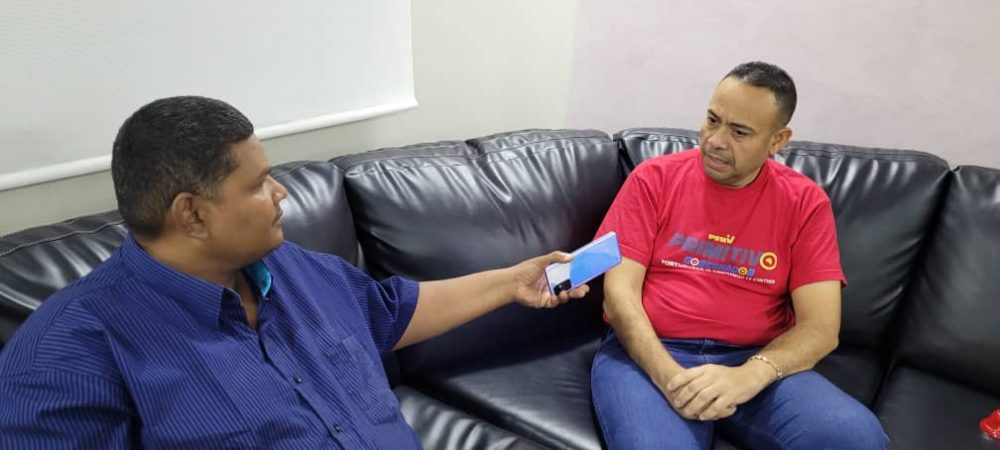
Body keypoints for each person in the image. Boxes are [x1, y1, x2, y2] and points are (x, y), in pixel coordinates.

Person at [0, 96, 588, 449]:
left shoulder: (290, 266)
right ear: (193, 214)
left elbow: (387, 312)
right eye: (259, 184)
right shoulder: (67, 355)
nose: (281, 193)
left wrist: (512, 282)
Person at [590, 62, 889, 449]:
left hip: (754, 359)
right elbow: (619, 296)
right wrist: (671, 378)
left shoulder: (805, 203)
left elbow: (821, 328)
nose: (715, 140)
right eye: (712, 120)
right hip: (650, 353)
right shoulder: (653, 179)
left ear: (778, 139)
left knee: (857, 438)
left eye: (739, 132)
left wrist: (749, 376)